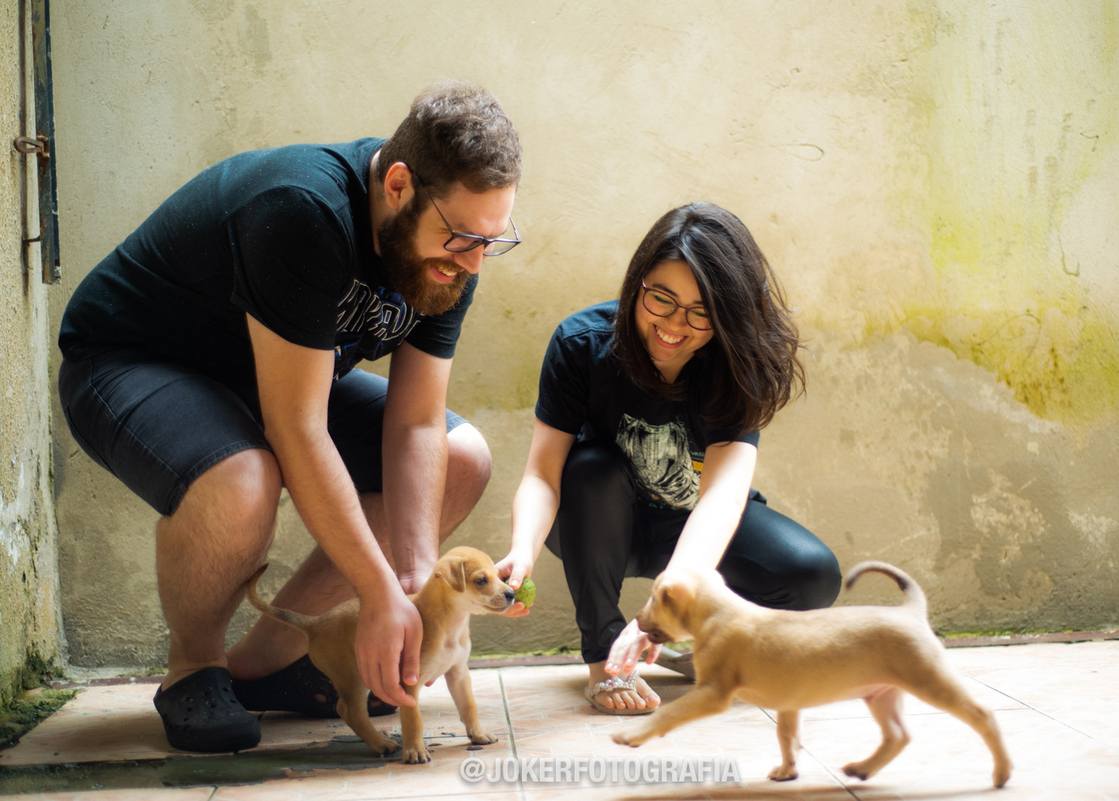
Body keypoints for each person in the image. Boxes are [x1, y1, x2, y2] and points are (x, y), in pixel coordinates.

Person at [57, 80, 522, 752]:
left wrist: (412, 579)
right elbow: (296, 427)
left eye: (494, 239)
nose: (474, 261)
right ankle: (196, 670)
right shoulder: (304, 209)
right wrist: (373, 587)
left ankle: (269, 663)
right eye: (461, 239)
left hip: (270, 376)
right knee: (245, 475)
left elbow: (417, 421)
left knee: (464, 457)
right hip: (130, 361)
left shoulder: (453, 250)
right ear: (397, 186)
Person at [498, 202, 842, 714]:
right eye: (662, 299)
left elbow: (723, 496)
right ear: (638, 283)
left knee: (812, 574)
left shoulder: (736, 362)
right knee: (591, 469)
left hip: (697, 522)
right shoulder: (581, 344)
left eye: (702, 311)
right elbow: (543, 475)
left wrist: (666, 606)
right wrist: (522, 551)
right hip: (605, 526)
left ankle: (700, 648)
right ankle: (605, 659)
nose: (675, 324)